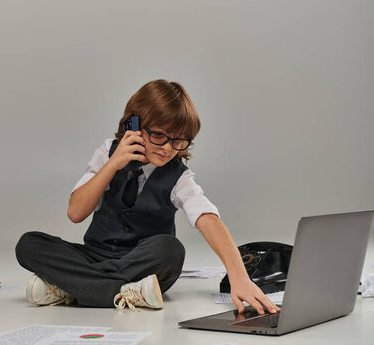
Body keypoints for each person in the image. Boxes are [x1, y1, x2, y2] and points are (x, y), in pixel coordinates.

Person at [15, 80, 281, 315]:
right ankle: (122, 293)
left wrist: (239, 276)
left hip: (142, 264)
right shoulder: (107, 152)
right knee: (29, 244)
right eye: (159, 135)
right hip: (96, 256)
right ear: (134, 125)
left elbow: (207, 217)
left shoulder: (179, 177)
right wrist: (113, 165)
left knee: (171, 250)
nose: (168, 148)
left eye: (179, 141)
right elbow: (75, 213)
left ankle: (72, 288)